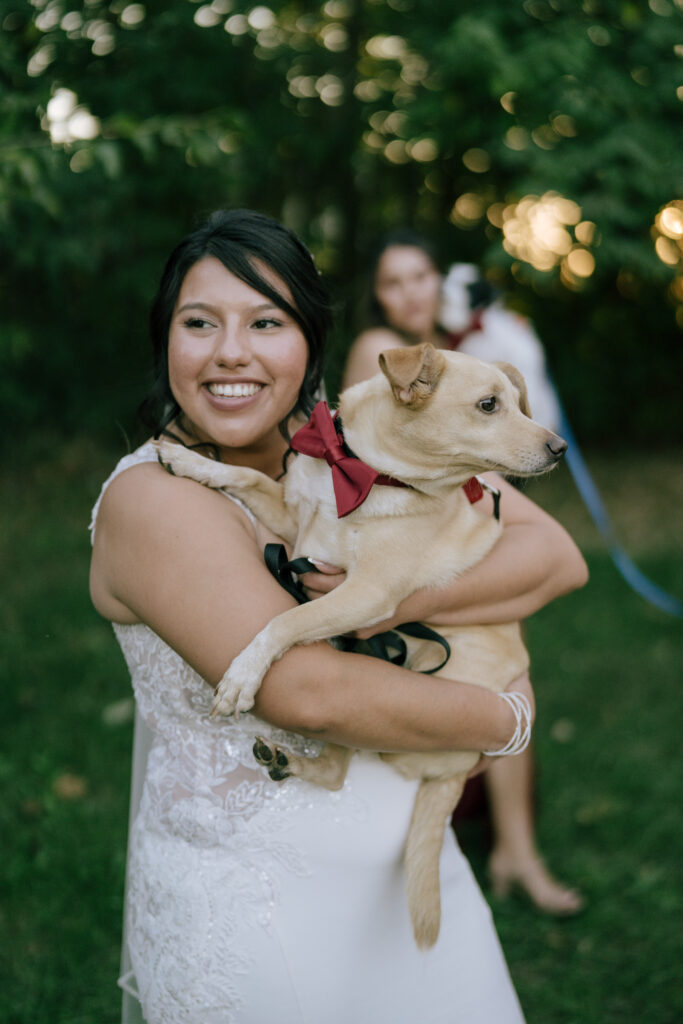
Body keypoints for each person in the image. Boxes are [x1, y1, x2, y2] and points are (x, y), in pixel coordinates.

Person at [89, 210, 587, 1024]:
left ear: (310, 342)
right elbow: (305, 693)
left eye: (266, 322)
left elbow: (556, 556)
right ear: (164, 339)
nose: (230, 352)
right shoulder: (154, 501)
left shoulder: (344, 446)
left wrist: (400, 586)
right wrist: (505, 717)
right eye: (198, 323)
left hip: (411, 882)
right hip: (272, 919)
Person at [342, 229, 585, 917]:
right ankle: (506, 851)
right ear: (379, 297)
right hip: (401, 540)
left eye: (420, 277)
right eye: (393, 283)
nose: (409, 293)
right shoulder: (381, 355)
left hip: (460, 522)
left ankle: (515, 850)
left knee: (507, 667)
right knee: (497, 669)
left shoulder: (460, 351)